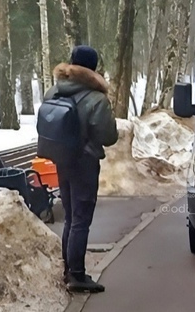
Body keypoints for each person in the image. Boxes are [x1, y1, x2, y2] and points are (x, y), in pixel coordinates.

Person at [44, 45, 118, 293]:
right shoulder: (97, 99)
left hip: (61, 159)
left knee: (70, 217)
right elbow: (109, 136)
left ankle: (68, 270)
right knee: (81, 220)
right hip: (84, 163)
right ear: (94, 68)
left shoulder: (54, 91)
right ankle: (77, 274)